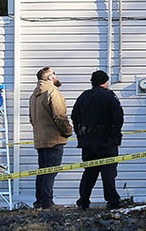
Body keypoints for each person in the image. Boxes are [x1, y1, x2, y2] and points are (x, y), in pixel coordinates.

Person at [71, 69, 125, 210]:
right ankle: (112, 201)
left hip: (88, 141)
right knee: (108, 172)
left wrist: (80, 137)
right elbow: (118, 117)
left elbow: (74, 116)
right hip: (105, 141)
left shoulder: (83, 96)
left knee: (89, 172)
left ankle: (83, 201)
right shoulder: (109, 96)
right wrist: (115, 137)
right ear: (105, 82)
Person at [27, 67, 73, 209]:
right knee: (51, 171)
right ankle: (47, 202)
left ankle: (39, 201)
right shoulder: (52, 92)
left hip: (40, 139)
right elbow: (59, 116)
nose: (56, 75)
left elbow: (31, 118)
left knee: (42, 170)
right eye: (54, 73)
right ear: (49, 78)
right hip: (53, 138)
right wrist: (68, 131)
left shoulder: (34, 96)